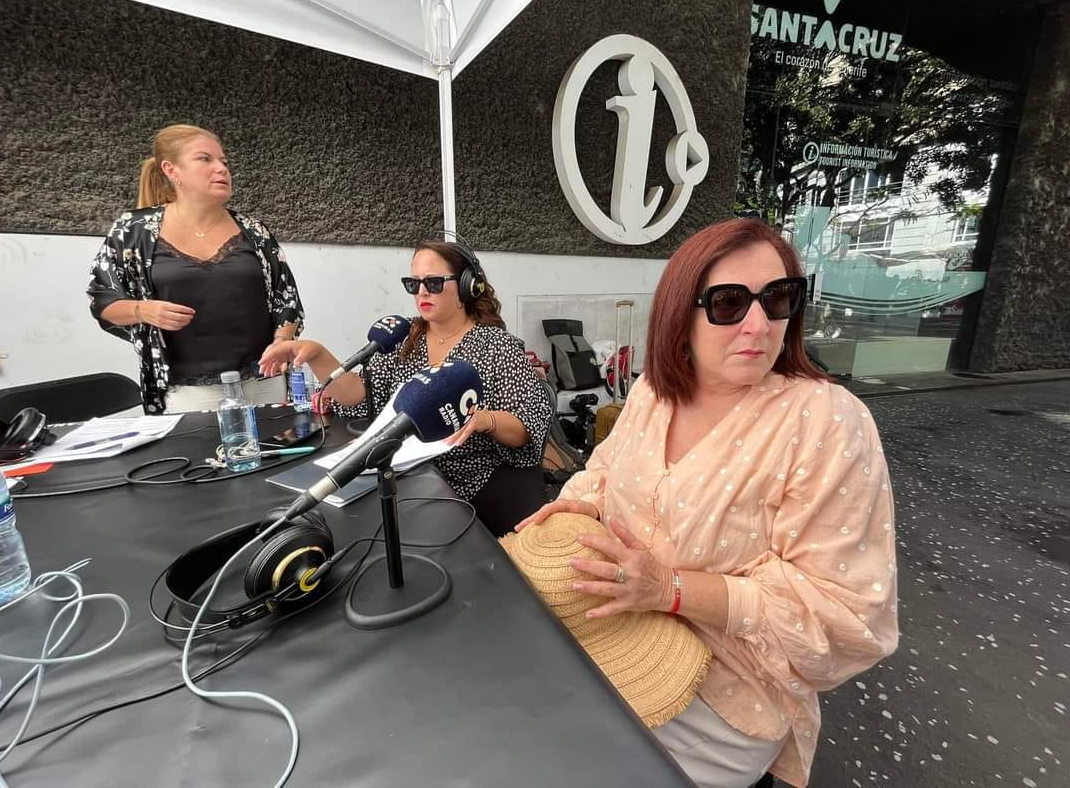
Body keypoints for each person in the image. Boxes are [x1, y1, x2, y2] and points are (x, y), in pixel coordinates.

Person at [516, 219, 898, 788]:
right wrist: (579, 506)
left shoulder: (826, 421)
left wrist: (670, 589)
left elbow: (847, 616)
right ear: (681, 314)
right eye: (728, 303)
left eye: (778, 299)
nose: (758, 324)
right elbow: (606, 470)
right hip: (613, 639)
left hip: (725, 694)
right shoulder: (654, 391)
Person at [259, 239, 550, 536]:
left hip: (475, 483)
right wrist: (317, 355)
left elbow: (526, 428)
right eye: (414, 284)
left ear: (466, 286)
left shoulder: (497, 346)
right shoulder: (406, 337)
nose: (422, 292)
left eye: (434, 283)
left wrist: (485, 420)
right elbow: (359, 395)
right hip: (409, 480)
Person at [87, 124, 304, 414]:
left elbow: (287, 301)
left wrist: (281, 343)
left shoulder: (254, 231)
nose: (222, 169)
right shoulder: (133, 230)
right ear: (171, 170)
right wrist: (142, 310)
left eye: (224, 162)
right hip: (186, 392)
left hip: (264, 382)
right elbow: (103, 301)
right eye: (205, 159)